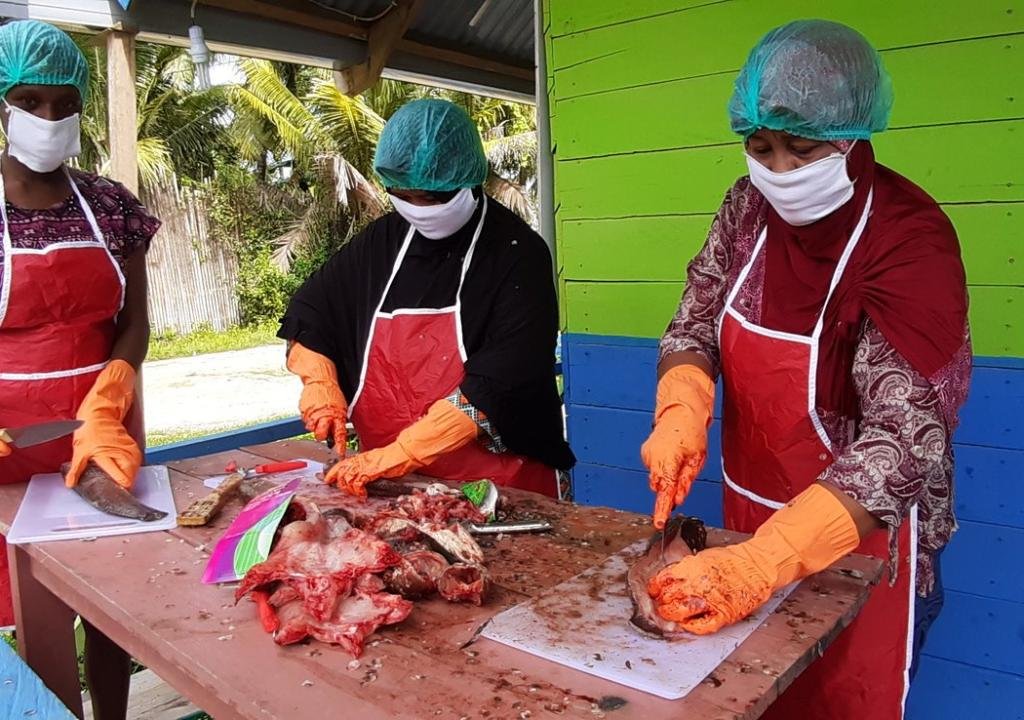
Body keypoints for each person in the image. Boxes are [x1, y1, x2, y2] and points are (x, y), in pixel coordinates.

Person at [640, 20, 970, 720]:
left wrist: (767, 562)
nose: (779, 171)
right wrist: (681, 406)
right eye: (761, 147)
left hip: (860, 542)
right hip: (746, 520)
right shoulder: (744, 207)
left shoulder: (910, 238)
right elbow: (695, 318)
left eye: (802, 148)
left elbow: (906, 437)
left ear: (851, 135)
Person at [280, 98, 574, 499]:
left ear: (469, 179)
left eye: (433, 197)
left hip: (499, 486)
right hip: (390, 486)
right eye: (403, 195)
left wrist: (400, 453)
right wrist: (321, 385)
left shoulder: (517, 252)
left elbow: (501, 383)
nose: (418, 209)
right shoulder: (382, 241)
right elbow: (311, 314)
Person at [0, 20, 160, 719]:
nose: (49, 118)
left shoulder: (112, 207)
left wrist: (112, 393)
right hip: (7, 445)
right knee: (20, 606)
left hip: (103, 430)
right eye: (30, 101)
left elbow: (134, 322)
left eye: (65, 103)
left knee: (110, 606)